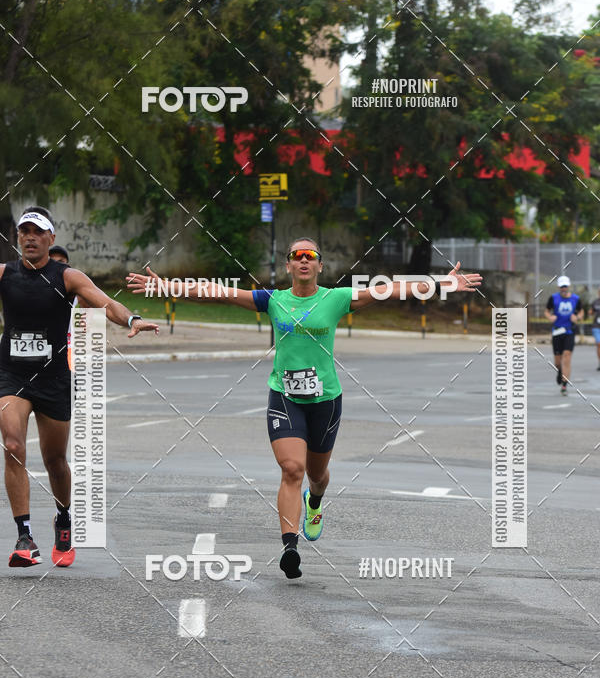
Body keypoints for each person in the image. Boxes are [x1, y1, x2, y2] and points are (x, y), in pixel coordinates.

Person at [126, 238, 482, 578]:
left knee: (316, 474)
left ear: (320, 266)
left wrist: (440, 284)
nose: (304, 261)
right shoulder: (273, 300)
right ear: (288, 265)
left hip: (325, 400)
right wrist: (166, 286)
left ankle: (316, 502)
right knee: (292, 469)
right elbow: (219, 292)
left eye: (310, 256)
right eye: (298, 256)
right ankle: (289, 546)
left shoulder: (337, 298)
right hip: (284, 396)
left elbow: (387, 289)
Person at [0, 206, 160, 568]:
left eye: (37, 232)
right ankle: (24, 536)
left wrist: (131, 319)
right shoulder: (5, 274)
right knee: (12, 444)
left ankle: (64, 517)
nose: (29, 237)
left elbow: (106, 304)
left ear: (51, 238)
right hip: (12, 376)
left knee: (55, 460)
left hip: (54, 379)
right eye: (24, 231)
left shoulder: (67, 277)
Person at [544, 275, 584, 395]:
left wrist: (577, 317)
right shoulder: (553, 298)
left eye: (565, 286)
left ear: (569, 286)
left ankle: (564, 386)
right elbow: (546, 310)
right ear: (558, 287)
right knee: (558, 361)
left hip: (569, 331)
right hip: (557, 332)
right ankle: (559, 371)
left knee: (566, 357)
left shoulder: (576, 299)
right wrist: (550, 317)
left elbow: (582, 312)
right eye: (562, 287)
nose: (564, 288)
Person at [589, 288, 600, 370]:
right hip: (596, 326)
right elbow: (591, 312)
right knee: (599, 344)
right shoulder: (595, 302)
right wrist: (590, 312)